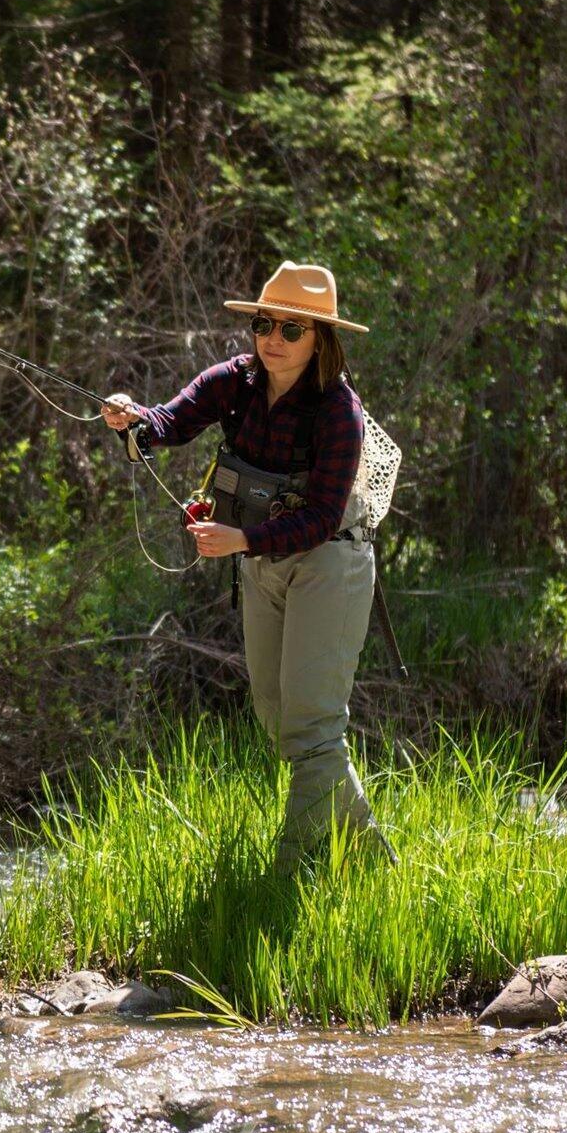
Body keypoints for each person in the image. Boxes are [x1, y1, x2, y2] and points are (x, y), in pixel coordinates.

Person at [100, 262, 389, 870]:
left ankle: (288, 872)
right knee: (278, 717)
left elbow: (318, 518)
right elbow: (168, 423)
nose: (273, 339)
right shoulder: (234, 381)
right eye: (264, 324)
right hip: (261, 560)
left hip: (329, 563)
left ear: (320, 339)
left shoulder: (339, 411)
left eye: (292, 329)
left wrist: (238, 538)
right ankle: (369, 860)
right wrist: (131, 418)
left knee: (312, 730)